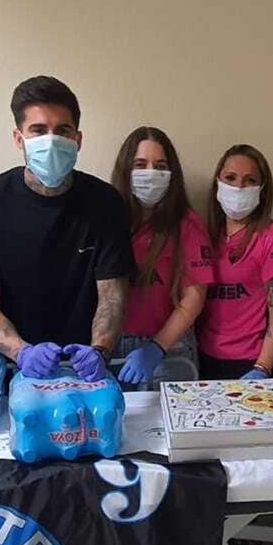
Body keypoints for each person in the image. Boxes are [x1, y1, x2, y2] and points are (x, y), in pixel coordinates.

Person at [0, 76, 134, 382]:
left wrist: (99, 349)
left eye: (62, 131)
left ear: (78, 139)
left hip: (85, 368)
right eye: (38, 130)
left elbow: (112, 296)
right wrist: (22, 352)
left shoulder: (105, 202)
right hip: (10, 369)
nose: (51, 140)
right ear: (19, 139)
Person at [108, 126, 208, 388]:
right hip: (112, 344)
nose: (150, 173)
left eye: (160, 166)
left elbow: (194, 296)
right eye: (140, 164)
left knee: (168, 426)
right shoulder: (105, 219)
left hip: (169, 346)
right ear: (125, 170)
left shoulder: (187, 224)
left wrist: (157, 347)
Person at [196, 144, 273, 380]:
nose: (238, 187)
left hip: (251, 362)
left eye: (249, 180)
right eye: (230, 178)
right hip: (203, 358)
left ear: (262, 190)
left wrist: (262, 367)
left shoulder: (272, 237)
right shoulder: (204, 234)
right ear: (217, 184)